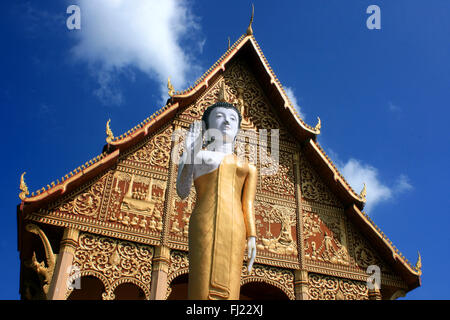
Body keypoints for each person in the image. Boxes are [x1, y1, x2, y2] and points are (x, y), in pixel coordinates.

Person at [176, 101, 257, 300]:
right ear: (207, 126)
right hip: (204, 222)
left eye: (232, 119)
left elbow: (247, 205)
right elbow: (182, 190)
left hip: (236, 227)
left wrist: (252, 237)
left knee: (231, 286)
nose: (226, 122)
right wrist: (190, 153)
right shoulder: (199, 155)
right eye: (219, 117)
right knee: (202, 283)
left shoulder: (247, 167)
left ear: (239, 128)